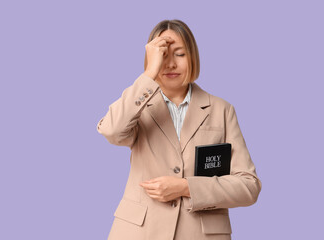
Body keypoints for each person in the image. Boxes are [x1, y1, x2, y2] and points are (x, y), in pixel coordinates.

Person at [97, 19, 262, 240]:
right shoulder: (137, 107)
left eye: (180, 54)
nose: (170, 64)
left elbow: (248, 186)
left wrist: (187, 187)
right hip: (140, 233)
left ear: (193, 57)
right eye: (162, 55)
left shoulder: (222, 110)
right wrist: (149, 75)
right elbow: (111, 131)